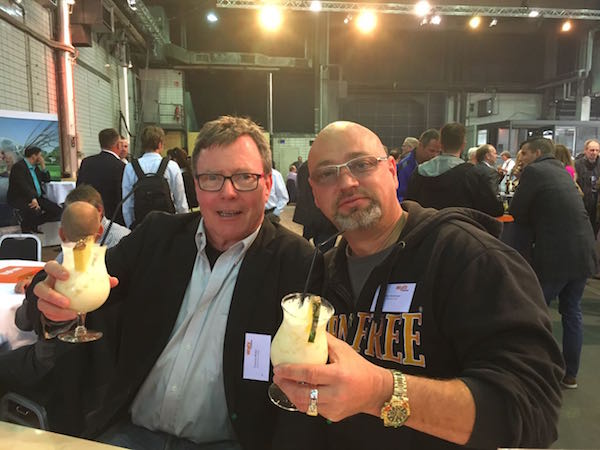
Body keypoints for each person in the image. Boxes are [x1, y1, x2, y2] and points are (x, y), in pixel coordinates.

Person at [20, 116, 318, 449]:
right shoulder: (157, 236)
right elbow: (75, 284)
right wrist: (52, 301)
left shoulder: (297, 262)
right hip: (131, 432)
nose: (227, 192)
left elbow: (307, 383)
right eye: (211, 178)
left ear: (267, 184)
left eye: (244, 177)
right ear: (196, 187)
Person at [273, 121, 564, 450]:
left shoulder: (469, 259)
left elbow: (533, 408)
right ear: (314, 193)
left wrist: (381, 392)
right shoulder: (322, 270)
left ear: (392, 171)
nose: (347, 182)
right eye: (328, 173)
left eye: (362, 164)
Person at [510, 138, 597, 389]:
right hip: (583, 251)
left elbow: (517, 210)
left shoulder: (535, 171)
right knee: (572, 311)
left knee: (535, 311)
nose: (522, 157)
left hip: (556, 254)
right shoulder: (561, 170)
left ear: (537, 152)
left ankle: (532, 372)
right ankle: (570, 374)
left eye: (525, 153)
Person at [405, 122, 504, 217]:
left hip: (426, 225)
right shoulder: (473, 174)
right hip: (460, 226)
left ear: (441, 144)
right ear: (463, 145)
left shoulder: (420, 171)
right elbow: (494, 209)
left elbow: (409, 204)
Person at [121, 126, 189, 228]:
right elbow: (181, 201)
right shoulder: (171, 166)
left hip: (142, 227)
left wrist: (132, 228)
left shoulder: (130, 168)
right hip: (168, 225)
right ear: (160, 144)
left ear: (142, 144)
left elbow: (127, 205)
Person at [7, 146, 62, 233]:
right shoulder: (18, 167)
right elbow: (23, 185)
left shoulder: (35, 168)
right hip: (21, 197)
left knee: (57, 210)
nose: (41, 158)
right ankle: (27, 229)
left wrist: (43, 166)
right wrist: (32, 198)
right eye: (40, 155)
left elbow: (47, 179)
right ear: (33, 156)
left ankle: (30, 224)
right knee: (35, 210)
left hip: (37, 197)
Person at [77, 128, 126, 224]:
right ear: (118, 145)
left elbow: (79, 188)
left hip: (88, 213)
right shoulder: (121, 166)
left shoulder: (87, 162)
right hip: (113, 217)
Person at [292, 161, 337, 251]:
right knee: (324, 250)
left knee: (306, 246)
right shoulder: (329, 166)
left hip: (308, 215)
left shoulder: (304, 167)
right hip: (326, 217)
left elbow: (300, 188)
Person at [396, 129, 441, 202]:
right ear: (420, 146)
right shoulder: (403, 167)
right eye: (432, 151)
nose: (435, 156)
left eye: (438, 152)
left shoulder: (439, 166)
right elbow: (400, 197)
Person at [574, 139, 600, 234]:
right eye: (592, 150)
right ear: (585, 150)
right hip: (581, 203)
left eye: (597, 150)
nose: (594, 153)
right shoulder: (577, 165)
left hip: (597, 205)